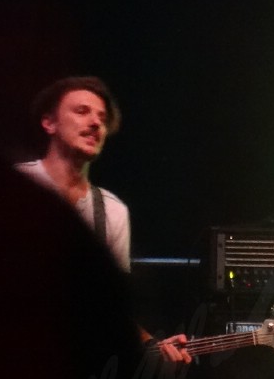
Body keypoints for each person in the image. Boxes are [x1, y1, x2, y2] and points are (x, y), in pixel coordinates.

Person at [16, 76, 190, 363]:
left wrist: (151, 345)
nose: (96, 123)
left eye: (102, 118)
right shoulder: (14, 185)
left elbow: (109, 308)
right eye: (82, 111)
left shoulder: (112, 211)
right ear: (49, 123)